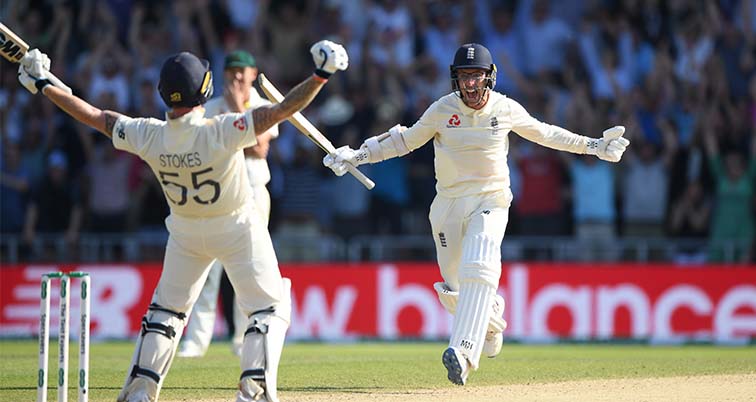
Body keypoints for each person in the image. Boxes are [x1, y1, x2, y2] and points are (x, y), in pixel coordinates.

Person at [18, 40, 348, 402]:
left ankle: (140, 393)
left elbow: (94, 116)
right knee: (269, 307)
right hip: (237, 226)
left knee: (166, 312)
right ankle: (252, 391)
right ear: (206, 89)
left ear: (163, 93)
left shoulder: (148, 134)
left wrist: (44, 84)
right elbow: (283, 109)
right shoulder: (221, 130)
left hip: (186, 234)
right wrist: (321, 75)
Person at [324, 43, 629, 385]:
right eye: (464, 77)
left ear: (489, 77)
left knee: (480, 261)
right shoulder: (442, 110)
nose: (470, 84)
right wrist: (356, 156)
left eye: (476, 77)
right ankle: (492, 319)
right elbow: (403, 141)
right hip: (448, 204)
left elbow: (546, 134)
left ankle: (463, 352)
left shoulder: (505, 108)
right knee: (454, 286)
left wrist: (595, 146)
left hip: (491, 198)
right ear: (455, 78)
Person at [178, 49, 279, 358]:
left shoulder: (264, 106)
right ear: (223, 74)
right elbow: (207, 152)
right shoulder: (208, 109)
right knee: (208, 272)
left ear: (253, 74)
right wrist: (236, 125)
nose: (237, 76)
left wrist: (237, 108)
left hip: (253, 192)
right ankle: (196, 342)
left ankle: (241, 339)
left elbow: (259, 149)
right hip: (218, 196)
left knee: (247, 270)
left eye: (242, 71)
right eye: (232, 70)